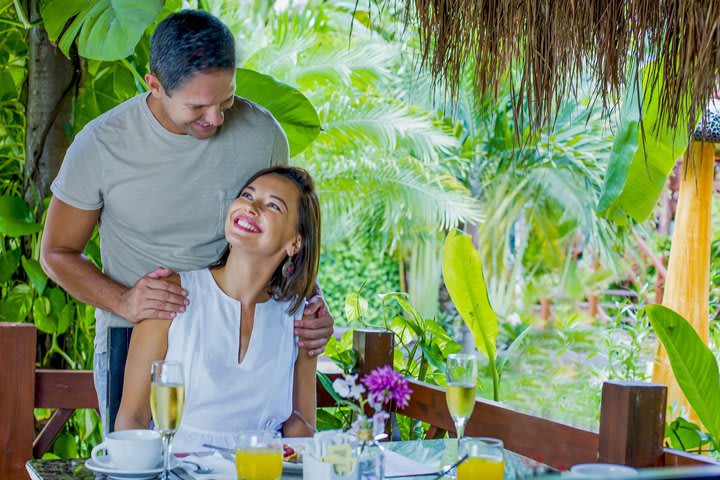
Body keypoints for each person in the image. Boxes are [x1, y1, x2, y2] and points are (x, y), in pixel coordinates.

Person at [39, 10, 333, 433]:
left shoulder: (262, 134)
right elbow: (56, 252)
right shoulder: (101, 145)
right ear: (154, 86)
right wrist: (125, 302)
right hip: (139, 330)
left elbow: (285, 230)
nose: (215, 118)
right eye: (197, 106)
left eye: (226, 99)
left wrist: (311, 303)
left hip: (241, 328)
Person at [115, 166, 320, 450]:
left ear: (295, 242)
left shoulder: (300, 318)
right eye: (248, 195)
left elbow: (301, 424)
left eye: (273, 205)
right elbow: (133, 419)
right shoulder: (169, 295)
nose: (252, 207)